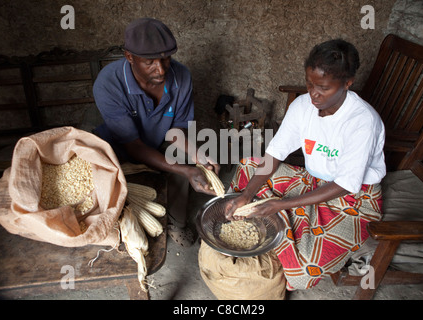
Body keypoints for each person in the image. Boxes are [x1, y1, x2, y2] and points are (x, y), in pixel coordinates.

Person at [225, 39, 386, 290]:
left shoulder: (362, 121)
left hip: (352, 200)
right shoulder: (303, 106)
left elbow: (346, 184)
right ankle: (278, 222)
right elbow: (275, 152)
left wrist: (281, 203)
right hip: (311, 182)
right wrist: (247, 195)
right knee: (249, 166)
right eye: (309, 83)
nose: (313, 94)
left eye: (323, 88)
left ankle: (278, 219)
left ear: (347, 83)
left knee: (301, 275)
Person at [93, 17, 219, 246]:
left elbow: (177, 130)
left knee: (183, 155)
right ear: (129, 57)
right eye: (150, 62)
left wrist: (197, 157)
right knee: (103, 177)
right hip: (120, 145)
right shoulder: (109, 83)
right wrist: (186, 171)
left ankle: (177, 222)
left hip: (159, 138)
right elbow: (133, 145)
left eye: (165, 59)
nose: (160, 69)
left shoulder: (181, 77)